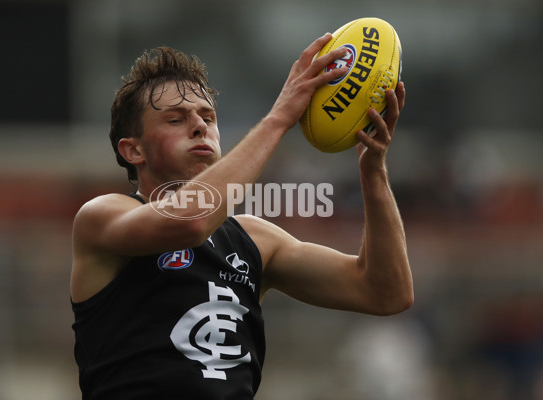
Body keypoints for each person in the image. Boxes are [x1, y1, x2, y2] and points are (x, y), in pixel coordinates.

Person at [70, 33, 413, 400]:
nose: (200, 126)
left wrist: (373, 171)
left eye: (208, 116)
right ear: (133, 150)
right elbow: (191, 221)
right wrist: (280, 117)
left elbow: (386, 292)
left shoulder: (256, 240)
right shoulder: (102, 217)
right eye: (175, 119)